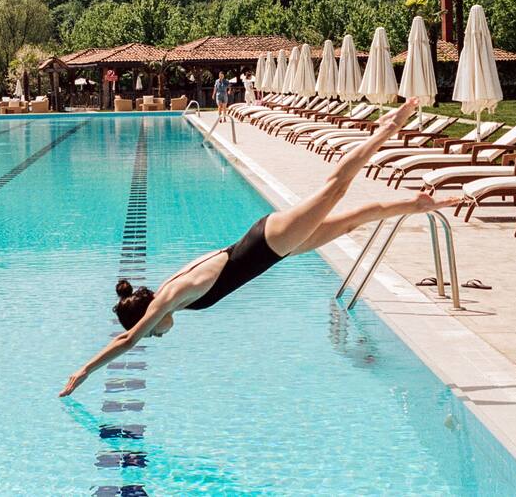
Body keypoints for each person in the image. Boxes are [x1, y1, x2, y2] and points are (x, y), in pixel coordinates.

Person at [59, 99, 459, 397]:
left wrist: (85, 371)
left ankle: (386, 129)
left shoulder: (168, 298)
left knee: (335, 188)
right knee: (353, 218)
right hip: (274, 248)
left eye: (151, 334)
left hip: (269, 241)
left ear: (147, 317)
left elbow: (125, 341)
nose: (157, 337)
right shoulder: (171, 298)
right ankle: (419, 203)